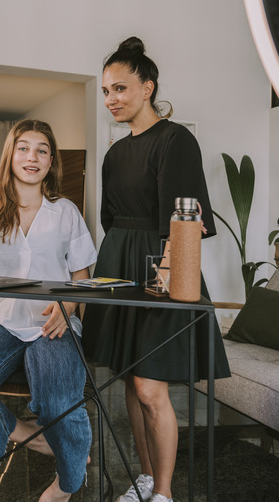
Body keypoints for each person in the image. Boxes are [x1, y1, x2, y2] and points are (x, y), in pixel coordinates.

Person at [82, 37, 231, 502]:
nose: (112, 99)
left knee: (150, 387)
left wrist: (165, 276)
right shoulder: (112, 154)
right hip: (118, 261)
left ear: (148, 87)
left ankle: (164, 493)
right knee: (131, 376)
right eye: (106, 91)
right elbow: (109, 219)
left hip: (161, 268)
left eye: (121, 88)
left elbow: (183, 221)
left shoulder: (175, 140)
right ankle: (146, 479)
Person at [0, 119, 97, 501]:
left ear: (51, 161)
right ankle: (35, 439)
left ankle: (66, 484)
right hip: (4, 321)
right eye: (24, 148)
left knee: (60, 401)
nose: (32, 156)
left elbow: (83, 277)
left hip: (52, 321)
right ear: (11, 155)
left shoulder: (65, 211)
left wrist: (68, 305)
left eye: (42, 150)